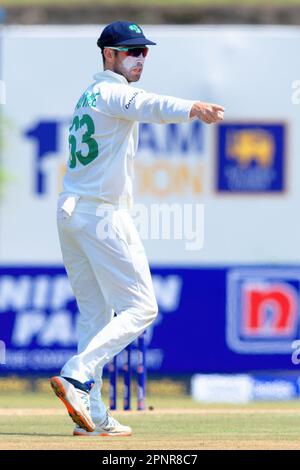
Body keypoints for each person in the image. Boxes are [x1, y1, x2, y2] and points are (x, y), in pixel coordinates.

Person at [50, 20, 225, 437]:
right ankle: (76, 376)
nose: (140, 58)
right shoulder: (112, 90)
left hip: (71, 211)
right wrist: (192, 108)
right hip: (102, 214)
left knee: (94, 317)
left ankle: (92, 414)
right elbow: (149, 106)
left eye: (144, 51)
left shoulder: (88, 95)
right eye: (131, 51)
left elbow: (139, 105)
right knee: (143, 308)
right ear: (108, 55)